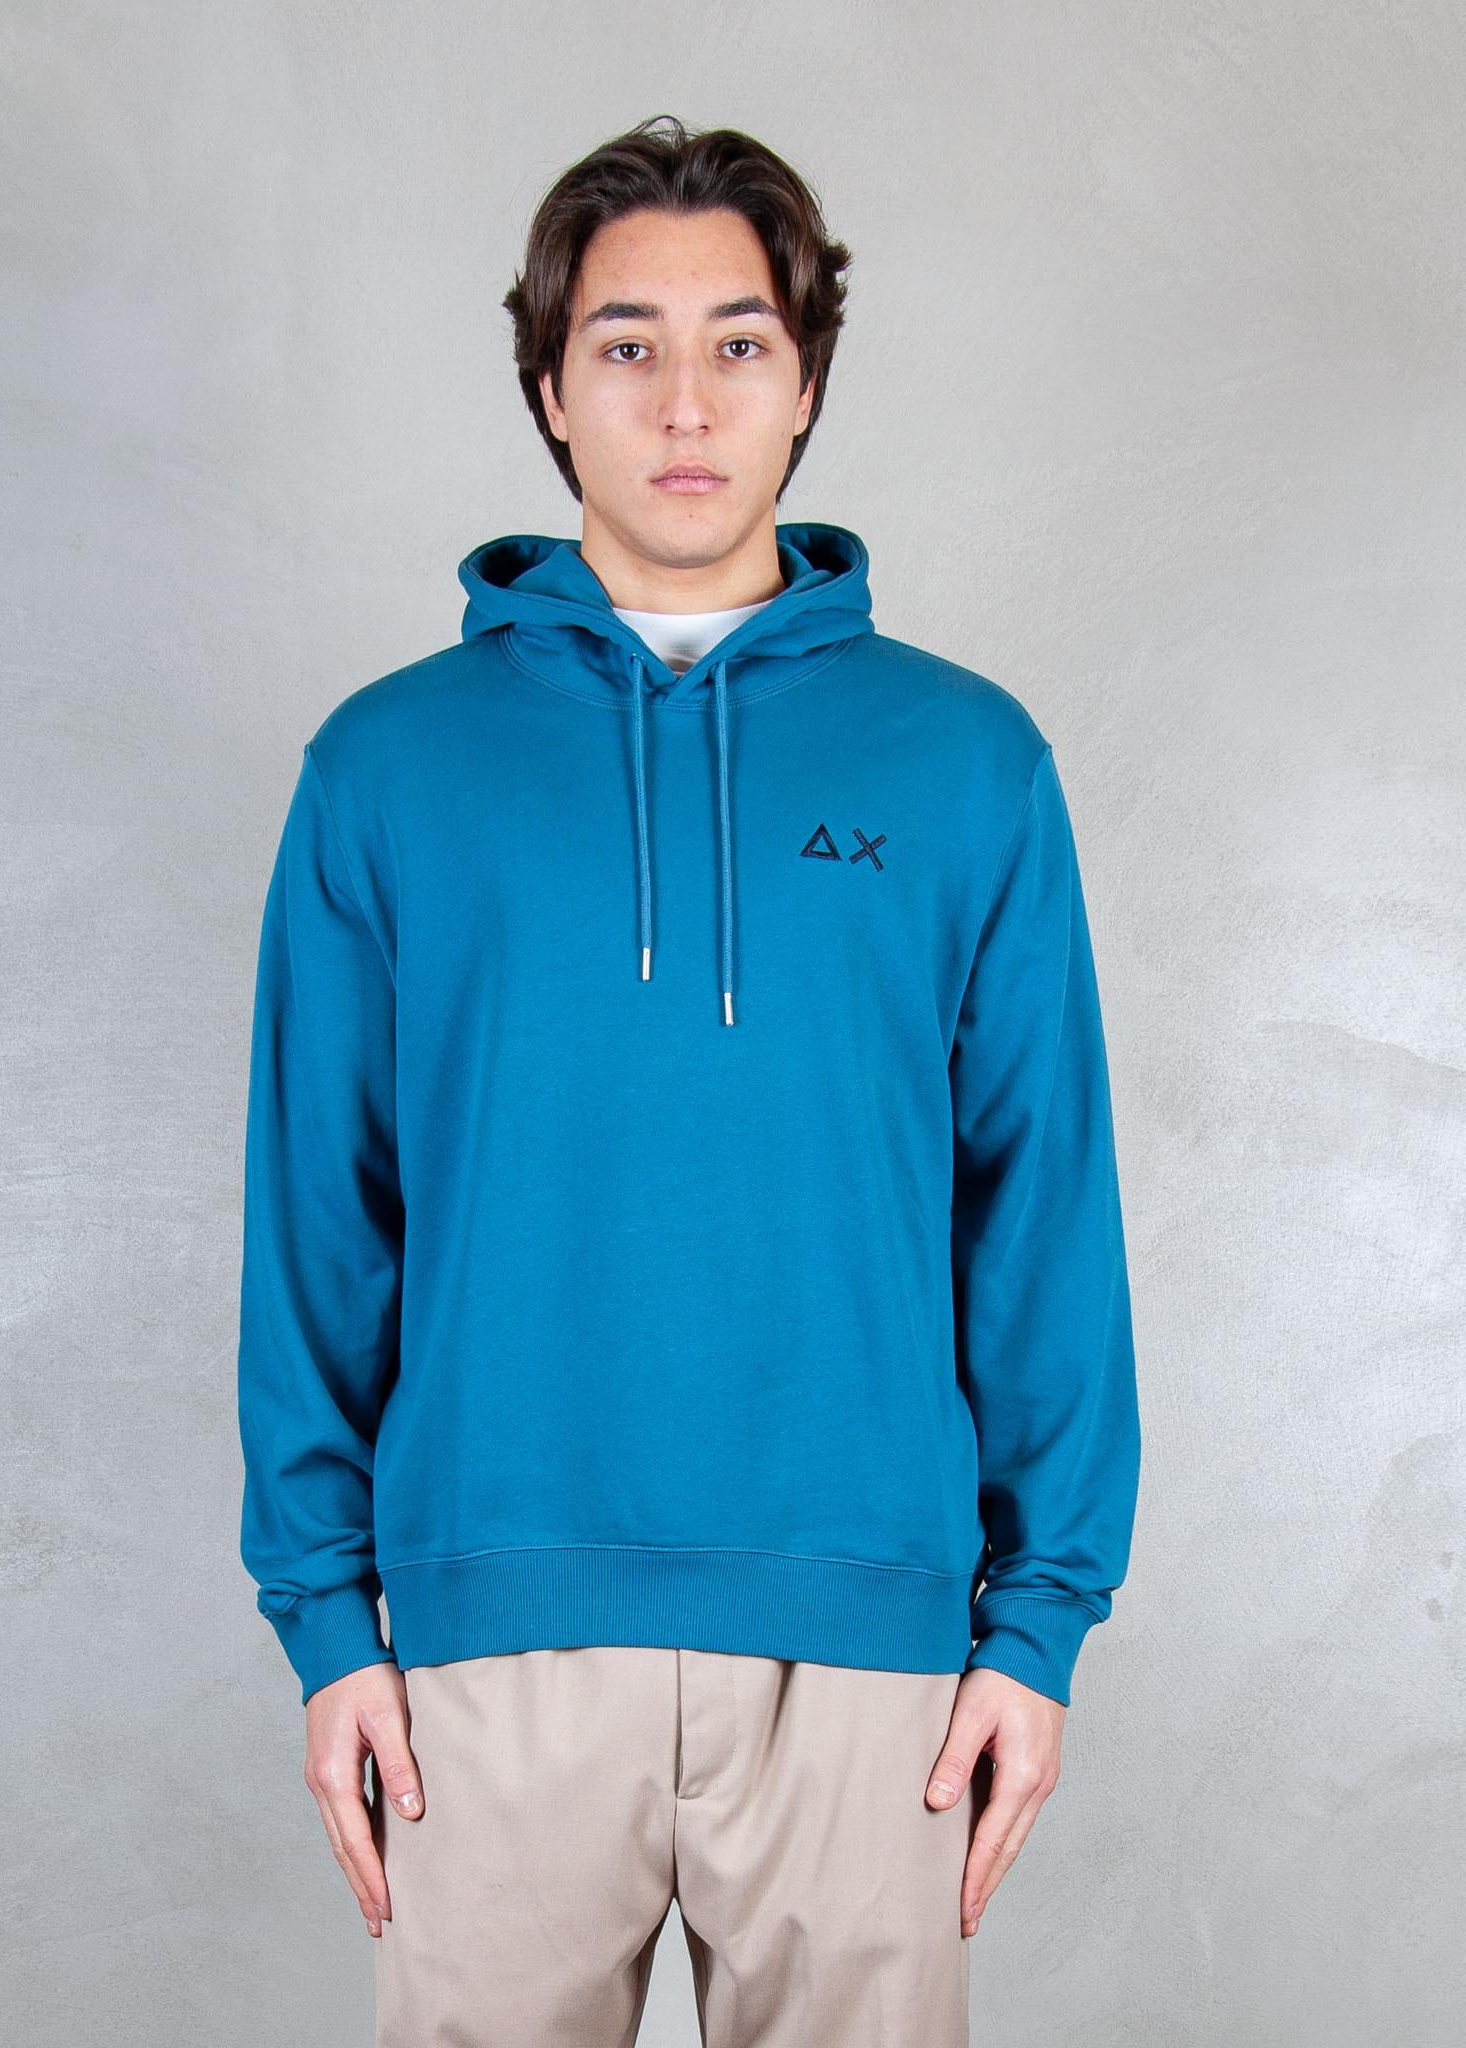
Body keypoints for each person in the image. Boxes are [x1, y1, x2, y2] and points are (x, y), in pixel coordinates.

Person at [235, 113, 1141, 2047]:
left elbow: (1038, 1209)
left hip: (871, 1648)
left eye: (738, 341)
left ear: (805, 382)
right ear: (549, 391)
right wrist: (325, 1624)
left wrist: (1038, 1623)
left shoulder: (966, 763)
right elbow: (321, 1216)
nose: (683, 399)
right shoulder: (385, 767)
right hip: (486, 1649)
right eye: (624, 344)